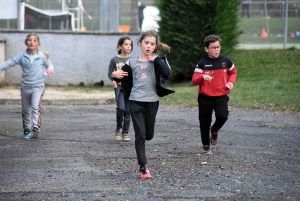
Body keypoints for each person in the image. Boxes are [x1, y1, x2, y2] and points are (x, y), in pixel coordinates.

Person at [112, 29, 174, 179]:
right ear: (140, 43)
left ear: (155, 46)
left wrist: (156, 60)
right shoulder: (132, 61)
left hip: (152, 102)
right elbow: (118, 74)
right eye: (146, 43)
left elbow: (167, 73)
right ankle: (143, 168)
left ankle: (144, 159)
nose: (148, 46)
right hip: (135, 101)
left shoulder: (158, 61)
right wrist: (113, 75)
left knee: (149, 135)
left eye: (152, 44)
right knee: (140, 134)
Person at [0, 33, 53, 139]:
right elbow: (10, 62)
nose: (32, 42)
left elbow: (49, 64)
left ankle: (35, 126)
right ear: (26, 43)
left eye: (34, 40)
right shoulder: (22, 56)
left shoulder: (42, 56)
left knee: (35, 106)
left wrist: (50, 69)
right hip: (25, 87)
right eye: (29, 40)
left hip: (38, 86)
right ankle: (27, 129)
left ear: (38, 44)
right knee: (25, 110)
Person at [191, 35, 237, 155]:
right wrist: (202, 77)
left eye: (218, 47)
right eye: (213, 48)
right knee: (204, 122)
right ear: (206, 49)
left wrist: (231, 82)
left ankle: (215, 130)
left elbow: (233, 72)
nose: (216, 50)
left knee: (223, 116)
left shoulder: (226, 61)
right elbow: (194, 81)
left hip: (221, 96)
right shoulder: (202, 64)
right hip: (205, 97)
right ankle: (206, 146)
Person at [108, 36, 133, 142]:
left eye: (130, 45)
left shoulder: (133, 60)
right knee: (121, 108)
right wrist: (114, 79)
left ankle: (125, 132)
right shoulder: (114, 59)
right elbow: (110, 73)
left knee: (128, 110)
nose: (128, 46)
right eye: (126, 44)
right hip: (120, 89)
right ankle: (119, 128)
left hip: (130, 89)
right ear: (120, 46)